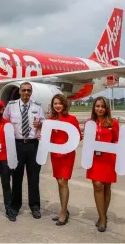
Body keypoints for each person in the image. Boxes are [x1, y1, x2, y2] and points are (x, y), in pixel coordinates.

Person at [2, 82, 45, 220]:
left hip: (32, 145)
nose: (26, 93)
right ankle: (15, 206)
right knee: (16, 176)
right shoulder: (11, 105)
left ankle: (35, 206)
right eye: (24, 90)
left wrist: (41, 124)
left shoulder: (37, 107)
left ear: (31, 92)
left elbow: (45, 123)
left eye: (28, 90)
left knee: (34, 177)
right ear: (19, 92)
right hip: (17, 144)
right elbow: (5, 122)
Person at [46, 94, 81, 226]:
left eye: (60, 103)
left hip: (67, 154)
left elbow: (78, 137)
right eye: (55, 103)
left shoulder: (71, 119)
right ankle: (63, 209)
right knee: (59, 182)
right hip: (55, 155)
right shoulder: (50, 120)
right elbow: (48, 137)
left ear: (64, 104)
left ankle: (63, 212)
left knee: (63, 182)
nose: (57, 106)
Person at [87, 96, 120, 232]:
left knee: (106, 187)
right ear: (94, 108)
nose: (100, 109)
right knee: (97, 185)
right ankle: (102, 218)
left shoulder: (113, 123)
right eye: (97, 106)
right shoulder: (90, 123)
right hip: (95, 159)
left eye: (102, 106)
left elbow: (117, 141)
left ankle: (103, 216)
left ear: (106, 108)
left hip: (108, 160)